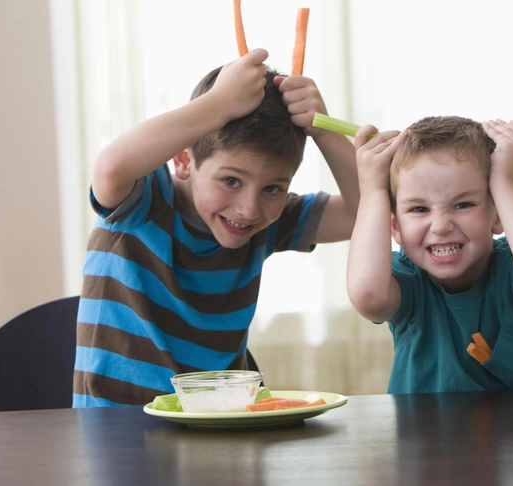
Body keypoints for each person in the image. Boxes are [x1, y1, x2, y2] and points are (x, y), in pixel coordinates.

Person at [73, 48, 359, 407]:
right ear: (182, 161)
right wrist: (219, 104)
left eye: (273, 188)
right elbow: (110, 169)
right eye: (231, 181)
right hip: (118, 429)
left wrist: (325, 132)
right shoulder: (145, 200)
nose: (249, 209)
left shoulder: (268, 222)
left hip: (221, 423)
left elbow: (363, 211)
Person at [346, 115, 513, 394]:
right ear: (395, 227)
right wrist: (372, 190)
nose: (441, 226)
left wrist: (505, 181)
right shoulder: (406, 282)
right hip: (423, 436)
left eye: (463, 204)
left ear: (498, 213)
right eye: (419, 209)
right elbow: (368, 296)